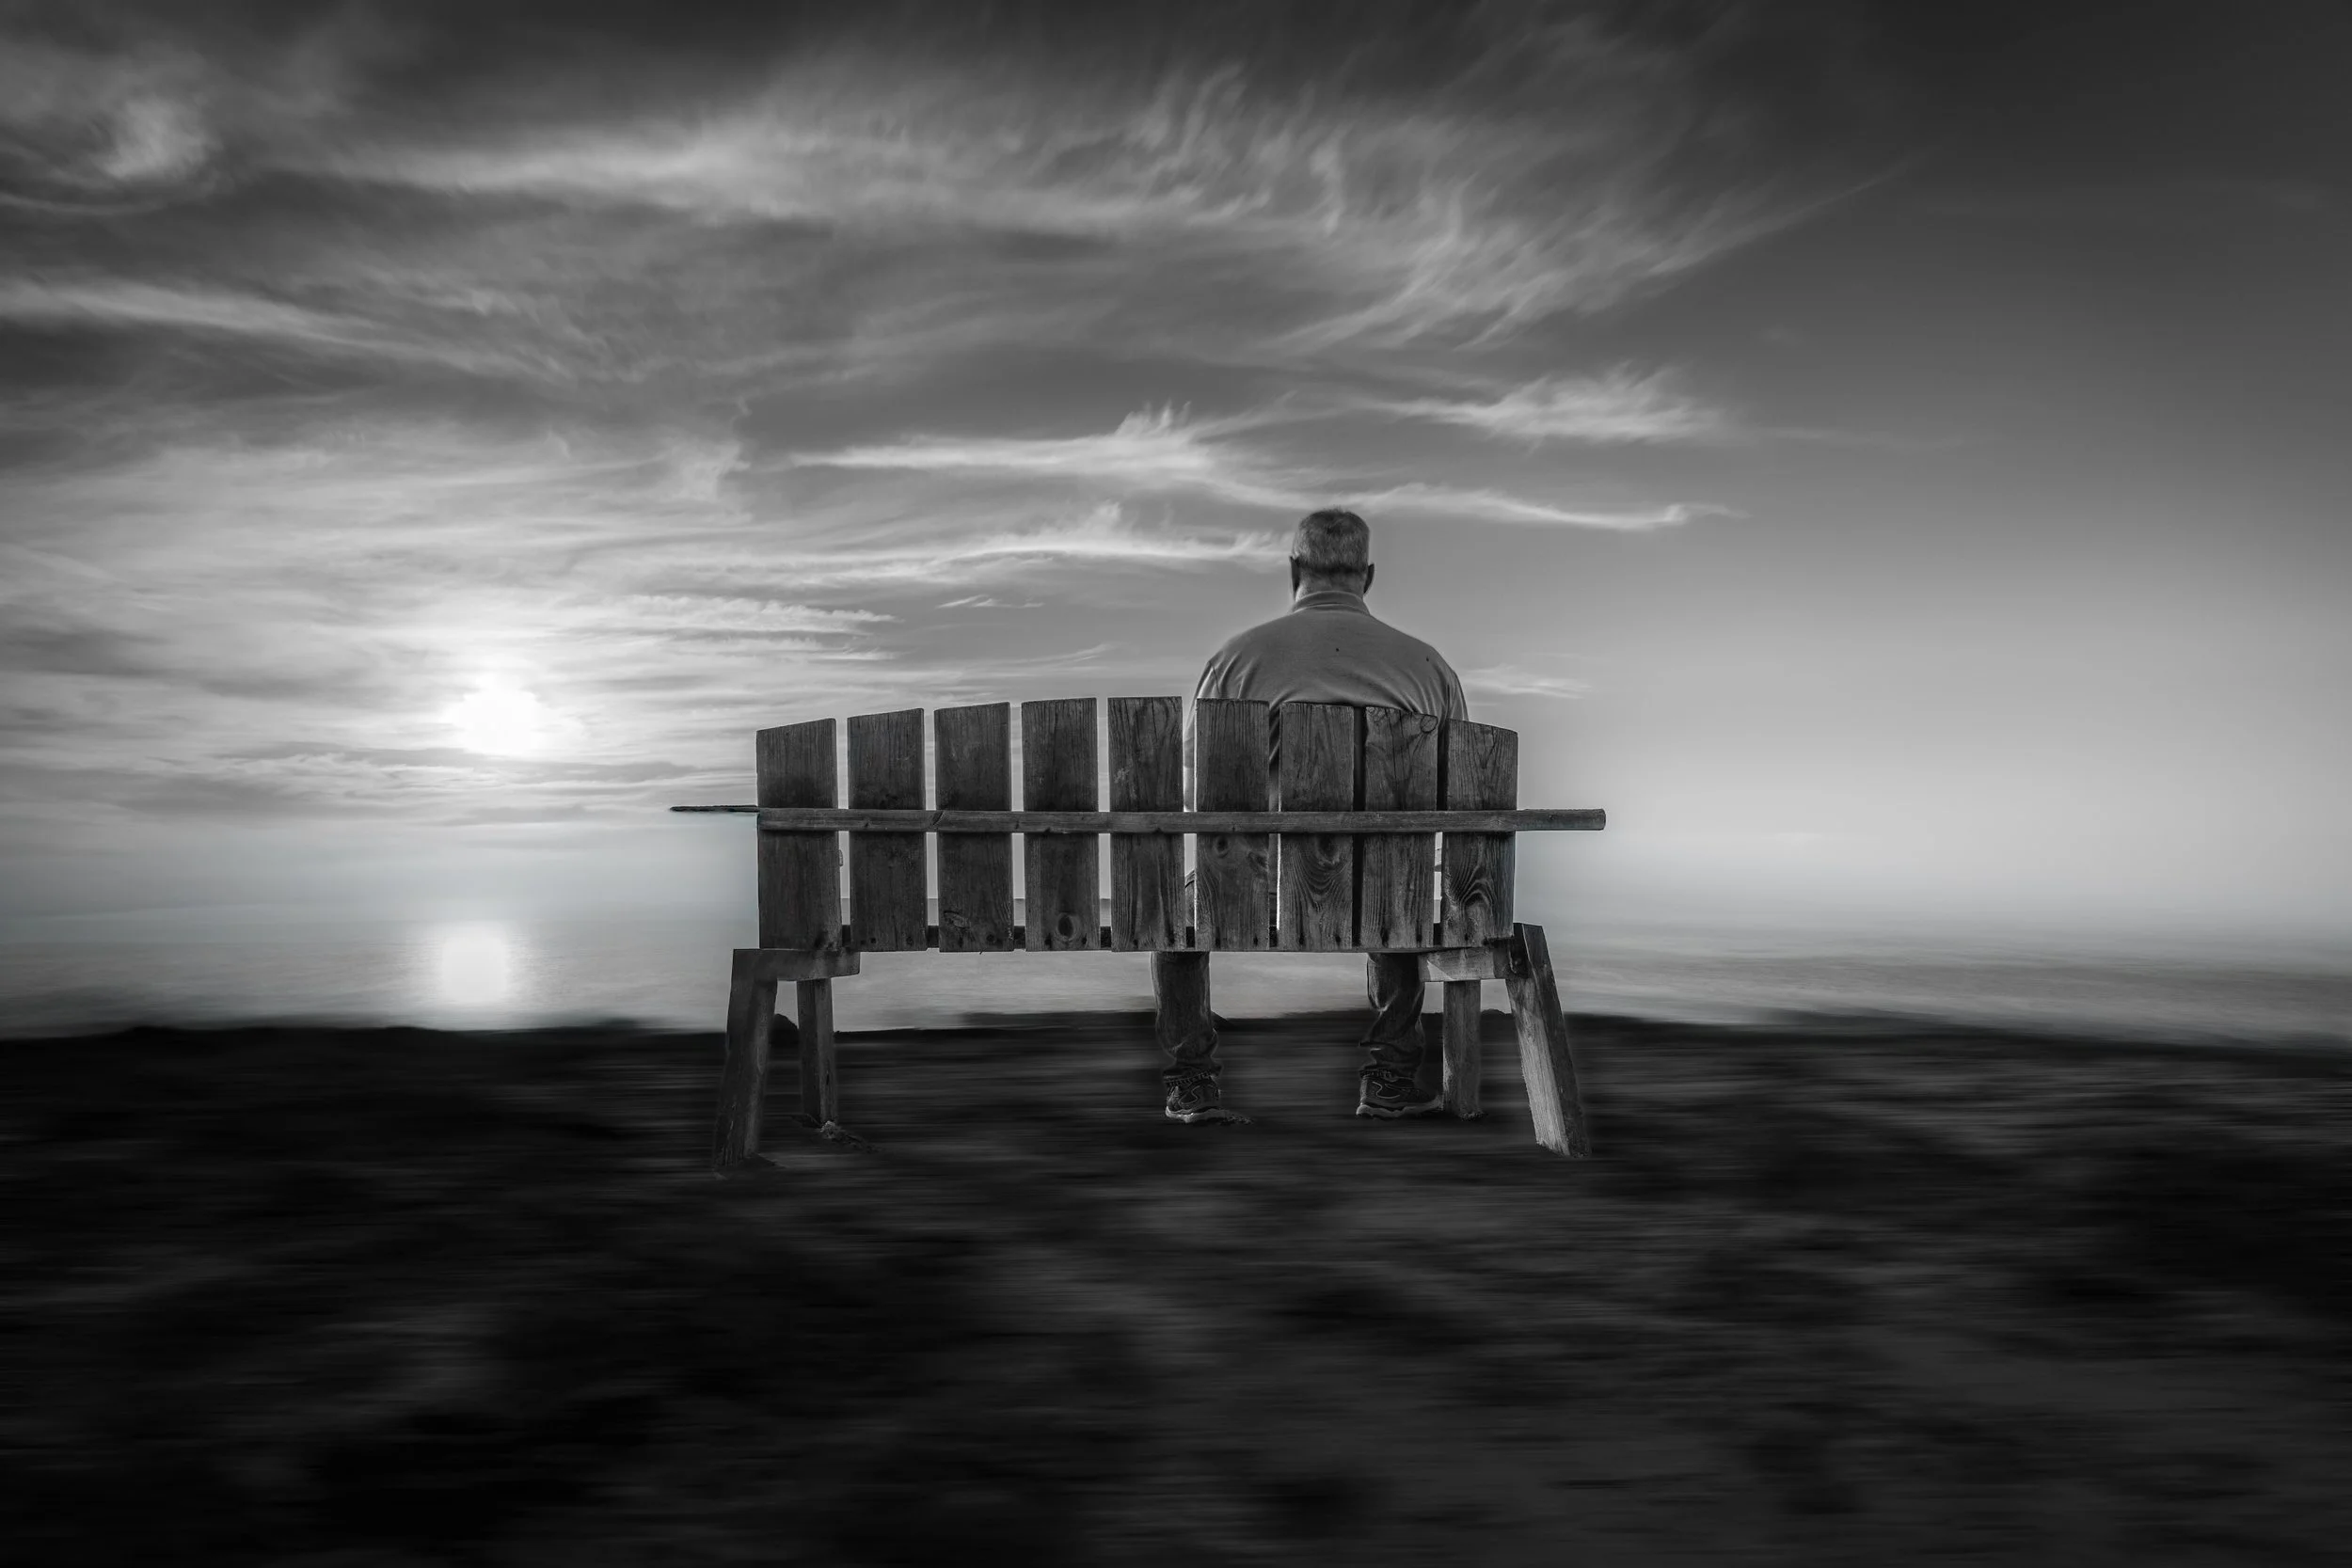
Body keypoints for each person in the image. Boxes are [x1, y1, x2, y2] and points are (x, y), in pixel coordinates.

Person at [1156, 508, 1469, 1125]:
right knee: (1394, 879)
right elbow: (1459, 785)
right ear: (1369, 575)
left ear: (1294, 569)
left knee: (1176, 918)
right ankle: (1388, 1079)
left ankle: (1192, 1086)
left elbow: (1198, 780)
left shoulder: (1237, 658)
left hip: (1253, 892)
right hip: (1385, 896)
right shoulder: (1428, 668)